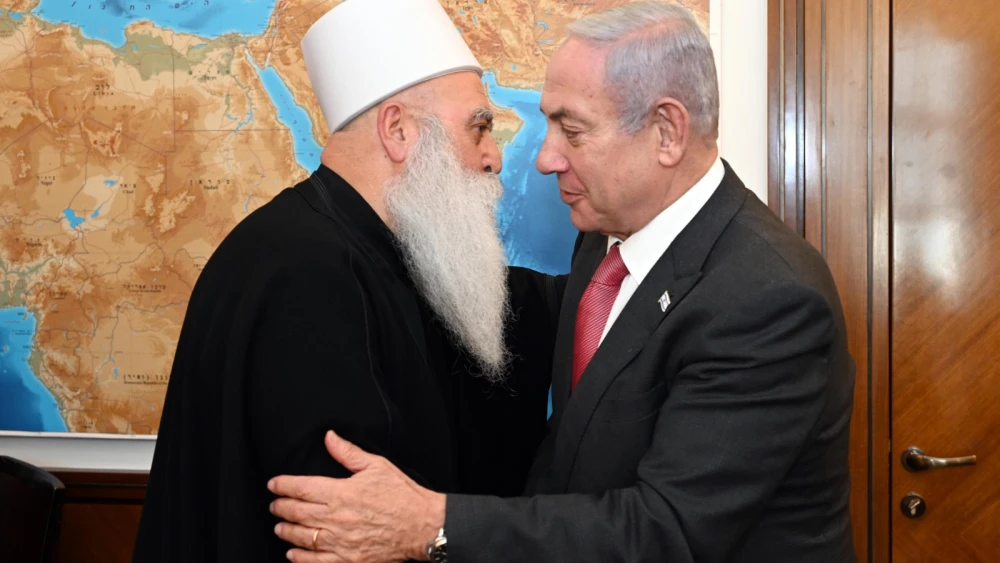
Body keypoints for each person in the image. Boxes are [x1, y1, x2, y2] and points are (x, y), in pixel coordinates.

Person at [267, 2, 857, 562]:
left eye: (572, 132)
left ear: (667, 132)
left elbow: (666, 532)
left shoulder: (767, 300)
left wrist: (430, 525)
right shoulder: (604, 235)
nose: (545, 158)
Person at [131, 0, 558, 561]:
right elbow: (343, 536)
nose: (494, 157)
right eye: (478, 127)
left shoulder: (354, 249)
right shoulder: (310, 277)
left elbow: (513, 311)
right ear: (398, 130)